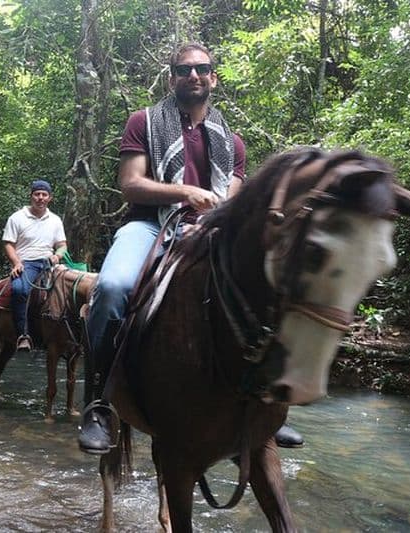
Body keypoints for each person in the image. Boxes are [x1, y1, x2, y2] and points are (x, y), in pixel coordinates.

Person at [77, 43, 303, 454]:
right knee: (110, 289)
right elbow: (131, 184)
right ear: (172, 79)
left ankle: (267, 401)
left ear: (213, 77)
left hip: (211, 232)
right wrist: (184, 192)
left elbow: (232, 204)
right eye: (184, 70)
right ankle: (98, 403)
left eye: (201, 69)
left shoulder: (232, 142)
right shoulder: (143, 121)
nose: (193, 75)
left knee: (273, 290)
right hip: (150, 224)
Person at [2, 180, 68, 352]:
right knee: (20, 290)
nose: (40, 198)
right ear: (31, 196)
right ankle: (23, 335)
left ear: (50, 198)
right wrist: (16, 262)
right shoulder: (17, 218)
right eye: (37, 194)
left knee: (73, 288)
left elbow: (62, 245)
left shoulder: (55, 220)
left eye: (44, 195)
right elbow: (8, 243)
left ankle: (70, 336)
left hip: (49, 262)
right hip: (27, 263)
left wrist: (57, 255)